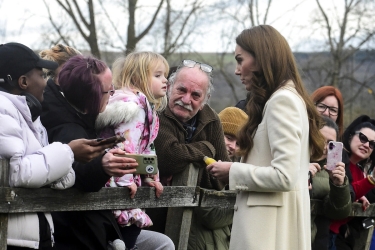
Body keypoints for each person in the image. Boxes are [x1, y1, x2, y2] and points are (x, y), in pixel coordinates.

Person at [206, 25, 325, 250]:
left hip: (269, 234)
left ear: (261, 58)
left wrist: (232, 171)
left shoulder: (283, 101)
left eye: (240, 60)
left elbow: (285, 176)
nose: (237, 70)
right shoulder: (284, 99)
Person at [0, 43, 116, 249]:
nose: (48, 83)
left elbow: (55, 176)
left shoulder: (30, 114)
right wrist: (69, 152)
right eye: (42, 75)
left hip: (34, 234)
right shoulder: (3, 111)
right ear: (23, 81)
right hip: (11, 238)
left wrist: (68, 161)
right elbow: (15, 172)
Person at [41, 54, 139, 250]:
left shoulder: (74, 112)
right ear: (92, 96)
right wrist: (102, 166)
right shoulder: (67, 128)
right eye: (108, 90)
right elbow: (78, 172)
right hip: (75, 237)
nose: (112, 94)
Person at [150, 59, 232, 250]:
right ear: (169, 87)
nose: (186, 100)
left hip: (198, 226)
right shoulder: (156, 112)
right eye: (181, 90)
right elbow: (169, 158)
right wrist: (205, 148)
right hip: (155, 219)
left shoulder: (210, 120)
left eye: (196, 95)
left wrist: (192, 166)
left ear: (204, 101)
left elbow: (222, 178)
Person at [95, 51, 174, 250]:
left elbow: (146, 148)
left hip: (123, 179)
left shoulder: (147, 108)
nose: (165, 80)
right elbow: (124, 146)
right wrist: (125, 181)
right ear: (138, 78)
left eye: (165, 75)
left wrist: (149, 177)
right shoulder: (132, 108)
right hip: (114, 181)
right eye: (158, 75)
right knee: (125, 231)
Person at [329, 115, 375, 250]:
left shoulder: (361, 173)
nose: (366, 145)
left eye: (372, 144)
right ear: (350, 137)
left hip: (339, 237)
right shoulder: (336, 161)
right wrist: (369, 182)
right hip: (321, 231)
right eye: (363, 138)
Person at [309, 116, 351, 250]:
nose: (325, 147)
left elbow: (338, 212)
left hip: (311, 241)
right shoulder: (288, 160)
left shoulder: (331, 172)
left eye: (330, 143)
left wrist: (339, 186)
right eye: (320, 139)